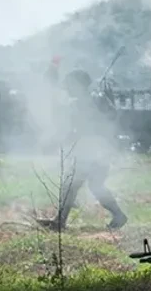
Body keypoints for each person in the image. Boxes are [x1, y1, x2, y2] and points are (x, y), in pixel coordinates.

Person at [39, 70, 127, 231]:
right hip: (89, 149)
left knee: (74, 185)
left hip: (96, 149)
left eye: (70, 85)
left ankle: (60, 222)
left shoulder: (97, 99)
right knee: (87, 185)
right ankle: (61, 221)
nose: (67, 89)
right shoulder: (80, 103)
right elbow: (75, 129)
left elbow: (111, 117)